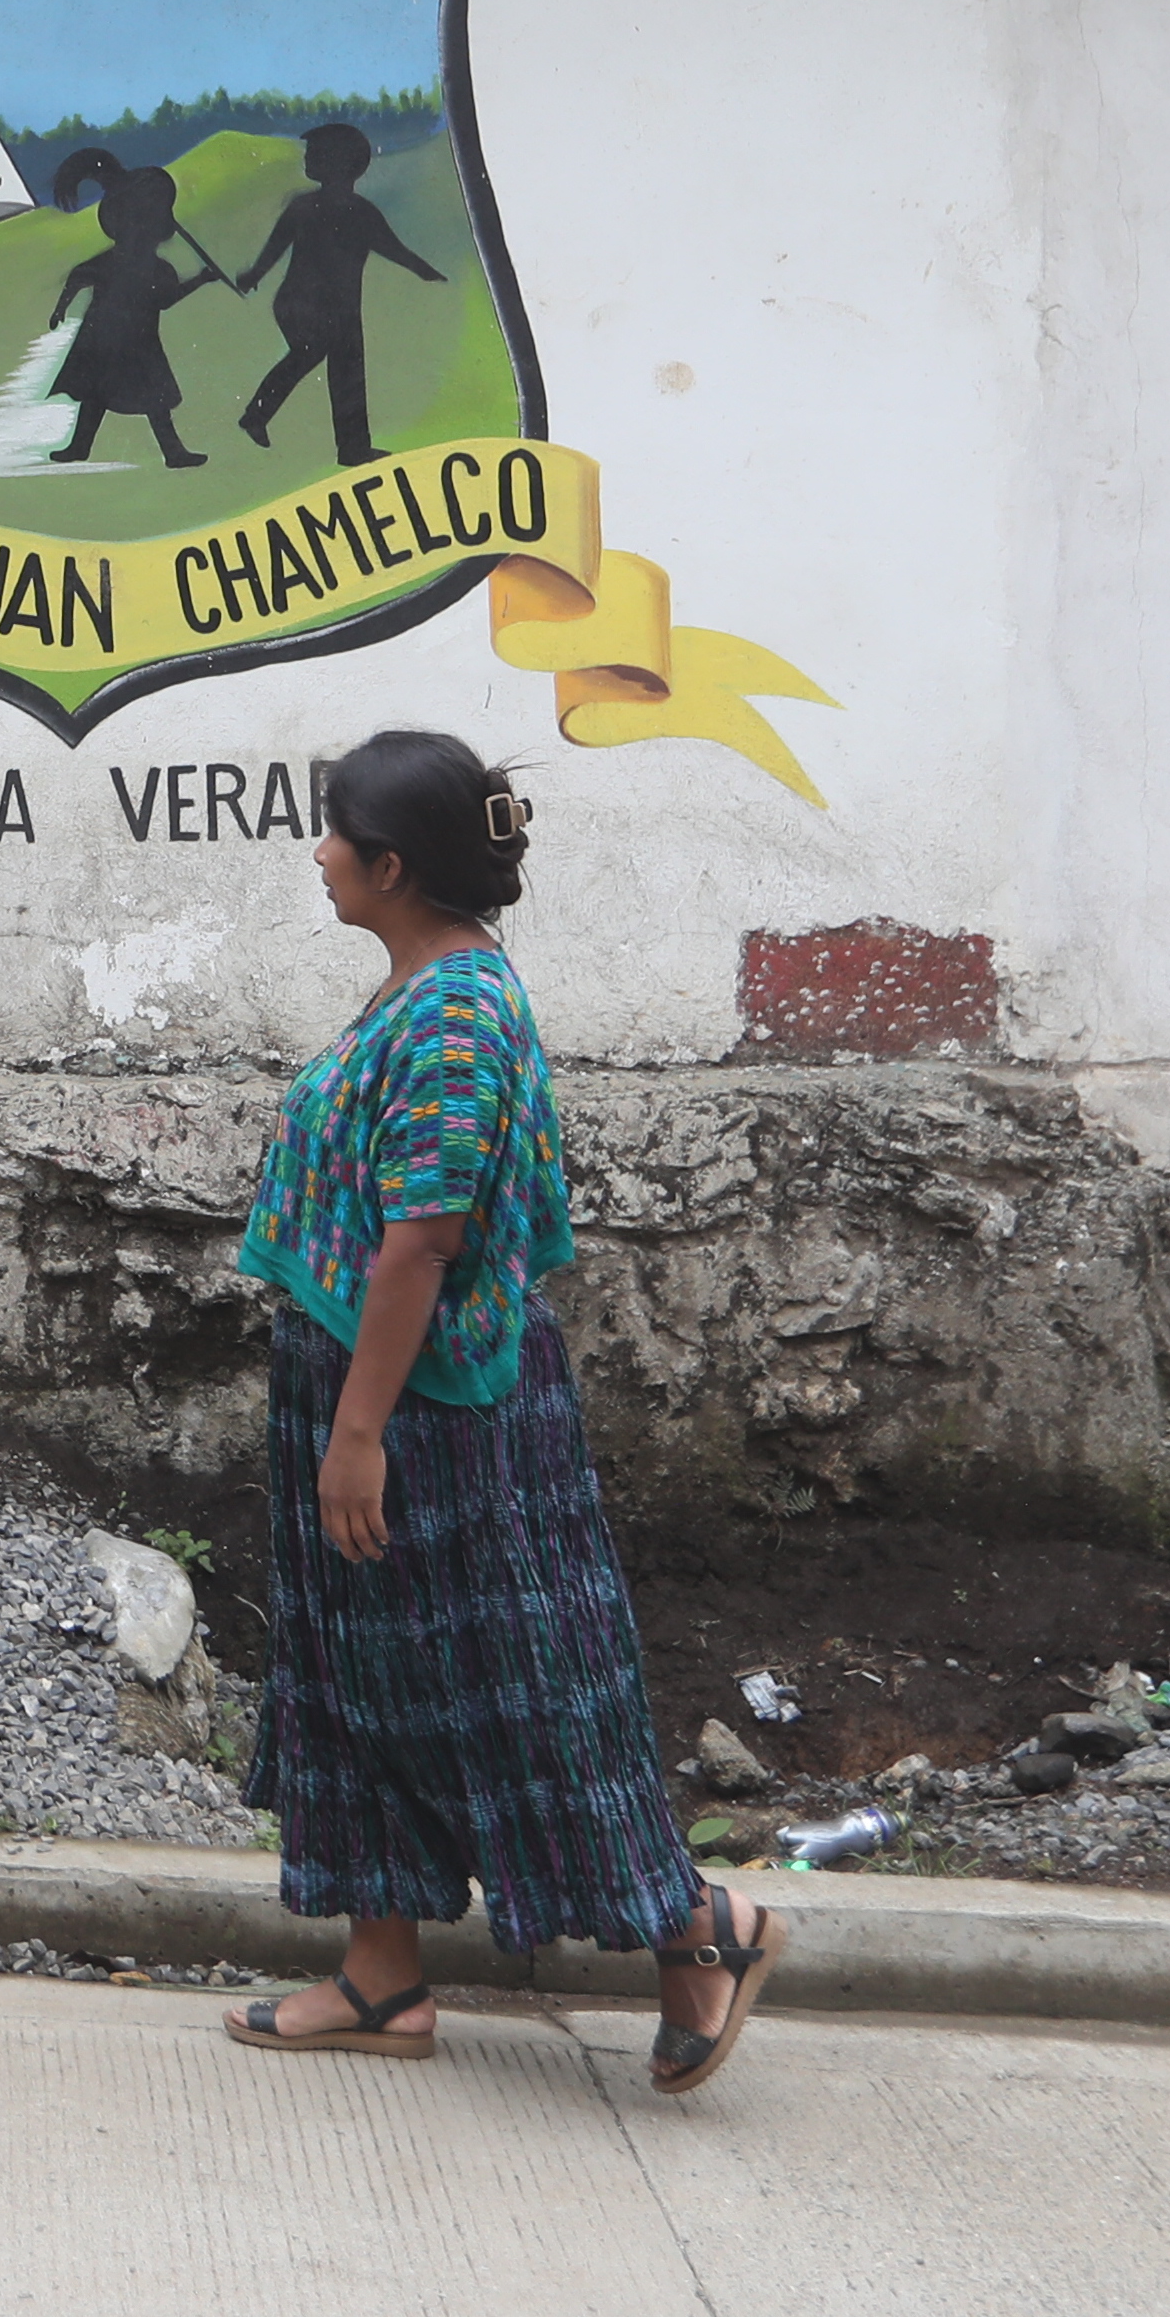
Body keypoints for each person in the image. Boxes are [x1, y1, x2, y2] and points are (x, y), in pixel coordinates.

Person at [221, 729, 785, 2094]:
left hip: (433, 1414)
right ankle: (383, 1974)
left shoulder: (461, 1012)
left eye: (334, 832)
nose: (318, 851)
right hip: (359, 1387)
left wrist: (359, 1433)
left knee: (524, 1687)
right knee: (356, 1676)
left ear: (393, 864)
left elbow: (423, 1237)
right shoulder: (415, 984)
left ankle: (705, 1928)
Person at [233, 122, 447, 470]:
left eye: (315, 154)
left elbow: (395, 250)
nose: (308, 160)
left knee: (344, 373)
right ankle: (258, 416)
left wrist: (427, 272)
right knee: (320, 360)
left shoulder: (356, 212)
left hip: (340, 310)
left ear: (342, 164)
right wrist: (254, 274)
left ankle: (351, 448)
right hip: (304, 305)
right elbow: (276, 246)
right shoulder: (319, 209)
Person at [38, 149, 235, 469]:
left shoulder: (158, 270)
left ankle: (172, 453)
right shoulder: (121, 263)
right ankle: (81, 446)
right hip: (105, 338)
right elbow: (78, 278)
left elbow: (165, 299)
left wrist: (200, 280)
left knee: (150, 400)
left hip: (137, 341)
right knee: (97, 394)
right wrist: (61, 308)